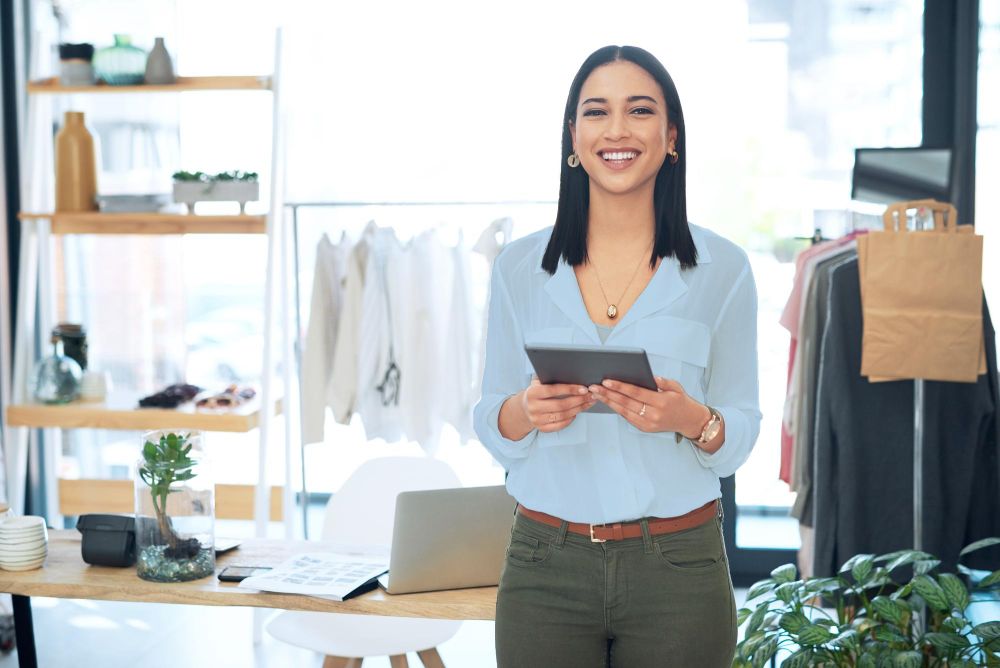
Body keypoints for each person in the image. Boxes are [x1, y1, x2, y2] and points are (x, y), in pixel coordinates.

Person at [473, 45, 761, 667]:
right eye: (597, 112)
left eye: (640, 110)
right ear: (573, 138)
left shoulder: (725, 270)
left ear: (671, 136)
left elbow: (741, 433)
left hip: (678, 569)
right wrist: (526, 410)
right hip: (543, 563)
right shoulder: (519, 267)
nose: (618, 130)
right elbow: (490, 419)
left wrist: (690, 420)